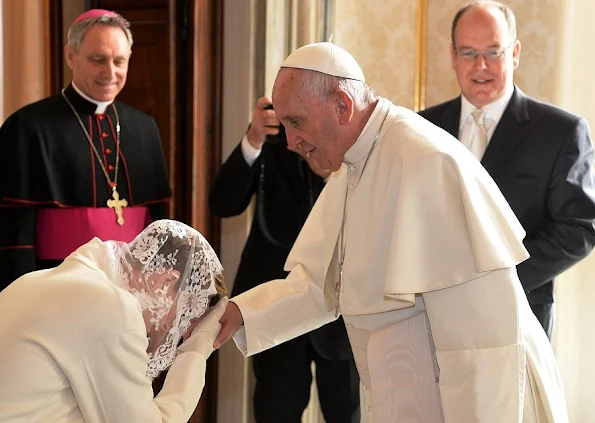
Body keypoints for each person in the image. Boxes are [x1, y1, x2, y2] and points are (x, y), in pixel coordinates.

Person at [214, 41, 569, 422]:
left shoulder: (428, 162)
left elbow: (480, 350)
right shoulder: (355, 161)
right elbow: (320, 285)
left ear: (342, 105)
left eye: (296, 122)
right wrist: (238, 313)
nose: (290, 141)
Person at [419, 1, 595, 340]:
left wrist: (498, 281)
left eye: (493, 52)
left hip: (519, 318)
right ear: (452, 56)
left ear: (514, 53)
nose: (481, 65)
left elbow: (580, 227)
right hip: (432, 321)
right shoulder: (421, 128)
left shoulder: (560, 131)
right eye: (469, 52)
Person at [209, 98, 360, 422]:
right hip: (274, 305)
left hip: (343, 310)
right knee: (275, 410)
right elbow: (223, 203)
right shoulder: (274, 141)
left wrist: (329, 166)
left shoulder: (356, 141)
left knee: (349, 413)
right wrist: (253, 139)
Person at [0, 9, 171, 291]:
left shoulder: (144, 127)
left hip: (131, 287)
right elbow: (13, 231)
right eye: (97, 59)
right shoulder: (28, 126)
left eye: (119, 61)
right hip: (56, 281)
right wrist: (22, 295)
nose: (110, 72)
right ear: (71, 56)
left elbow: (158, 222)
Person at [0, 219, 228, 422]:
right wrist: (195, 352)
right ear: (165, 282)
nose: (172, 330)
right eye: (182, 318)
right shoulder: (111, 308)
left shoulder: (38, 281)